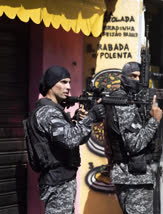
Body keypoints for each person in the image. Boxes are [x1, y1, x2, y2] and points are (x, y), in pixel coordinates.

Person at [23, 66, 105, 214]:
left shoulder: (55, 111)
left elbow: (77, 139)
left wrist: (81, 120)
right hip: (57, 183)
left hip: (62, 181)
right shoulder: (48, 112)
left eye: (69, 82)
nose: (68, 87)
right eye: (63, 82)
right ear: (50, 85)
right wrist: (91, 117)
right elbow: (69, 140)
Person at [105, 62, 163, 214]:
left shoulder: (132, 101)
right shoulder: (123, 103)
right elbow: (134, 144)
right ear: (123, 78)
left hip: (133, 176)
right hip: (134, 178)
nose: (136, 80)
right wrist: (154, 120)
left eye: (139, 77)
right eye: (133, 76)